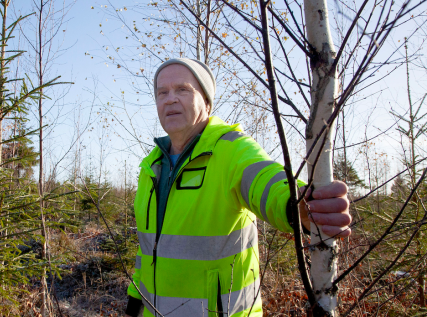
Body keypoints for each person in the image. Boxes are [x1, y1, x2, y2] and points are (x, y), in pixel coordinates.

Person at [124, 58, 351, 317]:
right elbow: (147, 250)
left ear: (206, 101)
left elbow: (265, 179)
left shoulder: (231, 149)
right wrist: (135, 300)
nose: (170, 99)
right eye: (161, 92)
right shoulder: (151, 167)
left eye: (182, 89)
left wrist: (298, 205)